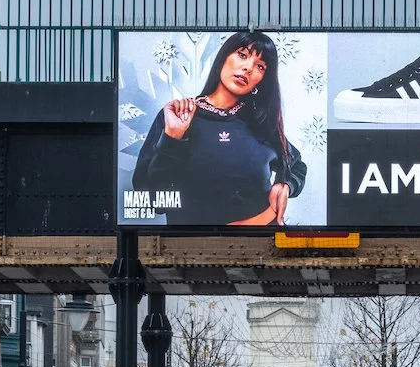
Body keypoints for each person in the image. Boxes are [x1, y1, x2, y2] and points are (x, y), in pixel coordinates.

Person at [128, 30, 308, 226]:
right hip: (192, 249)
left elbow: (296, 166)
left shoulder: (261, 123)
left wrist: (286, 186)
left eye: (260, 66)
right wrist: (172, 139)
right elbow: (151, 200)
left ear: (262, 80)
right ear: (224, 57)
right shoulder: (178, 115)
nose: (248, 68)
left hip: (262, 244)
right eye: (242, 55)